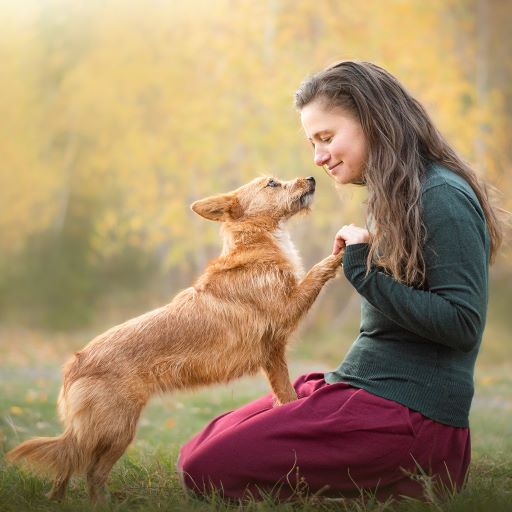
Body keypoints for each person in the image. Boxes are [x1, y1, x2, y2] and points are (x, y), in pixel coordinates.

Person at [177, 60, 504, 501]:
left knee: (207, 467)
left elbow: (462, 325)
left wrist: (360, 268)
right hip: (369, 386)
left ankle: (394, 482)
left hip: (413, 417)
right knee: (203, 445)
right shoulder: (394, 195)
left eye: (327, 138)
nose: (318, 157)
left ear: (373, 121)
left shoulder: (440, 196)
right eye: (313, 142)